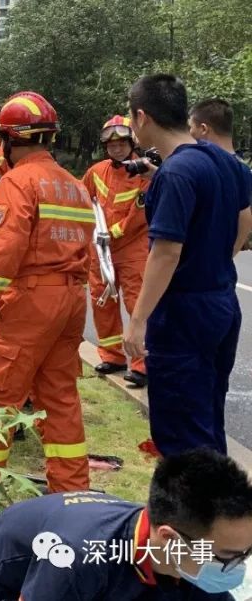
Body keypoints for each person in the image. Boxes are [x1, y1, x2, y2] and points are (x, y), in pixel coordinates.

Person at [0, 91, 92, 495]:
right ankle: (71, 493)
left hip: (32, 301)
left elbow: (5, 248)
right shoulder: (75, 187)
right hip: (71, 301)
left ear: (8, 139)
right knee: (60, 401)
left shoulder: (18, 181)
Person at [125, 75, 252, 457]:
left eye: (131, 118)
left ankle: (189, 514)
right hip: (221, 304)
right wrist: (220, 255)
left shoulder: (178, 172)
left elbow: (166, 252)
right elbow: (244, 217)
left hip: (183, 314)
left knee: (181, 429)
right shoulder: (223, 161)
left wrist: (138, 319)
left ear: (143, 116)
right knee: (207, 416)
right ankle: (221, 508)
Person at [0, 447, 252, 600]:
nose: (239, 566)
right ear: (169, 538)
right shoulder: (78, 559)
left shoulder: (185, 552)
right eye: (230, 558)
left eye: (247, 553)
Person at [83, 115, 150, 387]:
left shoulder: (144, 172)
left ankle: (141, 364)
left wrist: (113, 233)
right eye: (111, 145)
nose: (117, 149)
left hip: (133, 250)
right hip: (101, 251)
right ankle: (112, 355)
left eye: (122, 144)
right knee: (102, 301)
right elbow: (82, 198)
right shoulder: (97, 171)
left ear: (132, 142)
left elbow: (139, 215)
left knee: (137, 306)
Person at [190, 98, 252, 250]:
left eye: (190, 128)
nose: (189, 134)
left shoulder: (200, 167)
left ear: (204, 129)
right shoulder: (243, 171)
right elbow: (245, 219)